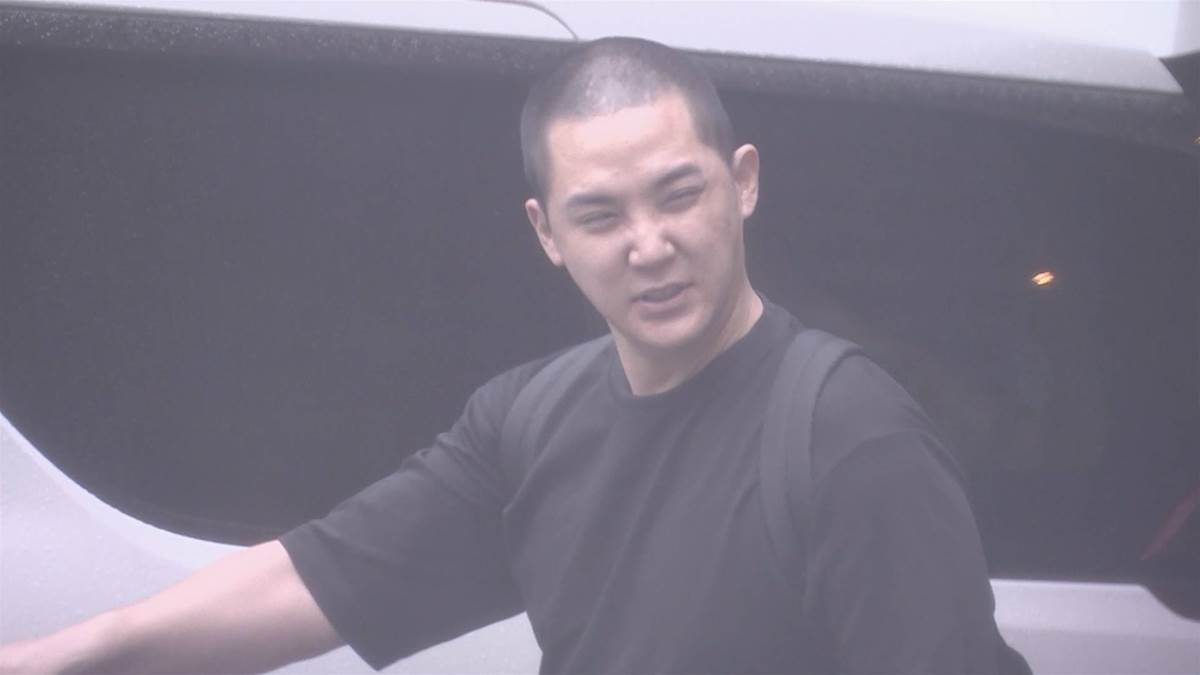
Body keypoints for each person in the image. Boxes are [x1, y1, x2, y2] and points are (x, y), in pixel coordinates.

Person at [0, 37, 1013, 674]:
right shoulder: (530, 422)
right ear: (547, 232)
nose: (650, 245)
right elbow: (316, 580)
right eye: (601, 215)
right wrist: (60, 657)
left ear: (741, 182)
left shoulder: (848, 436)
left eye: (679, 194)